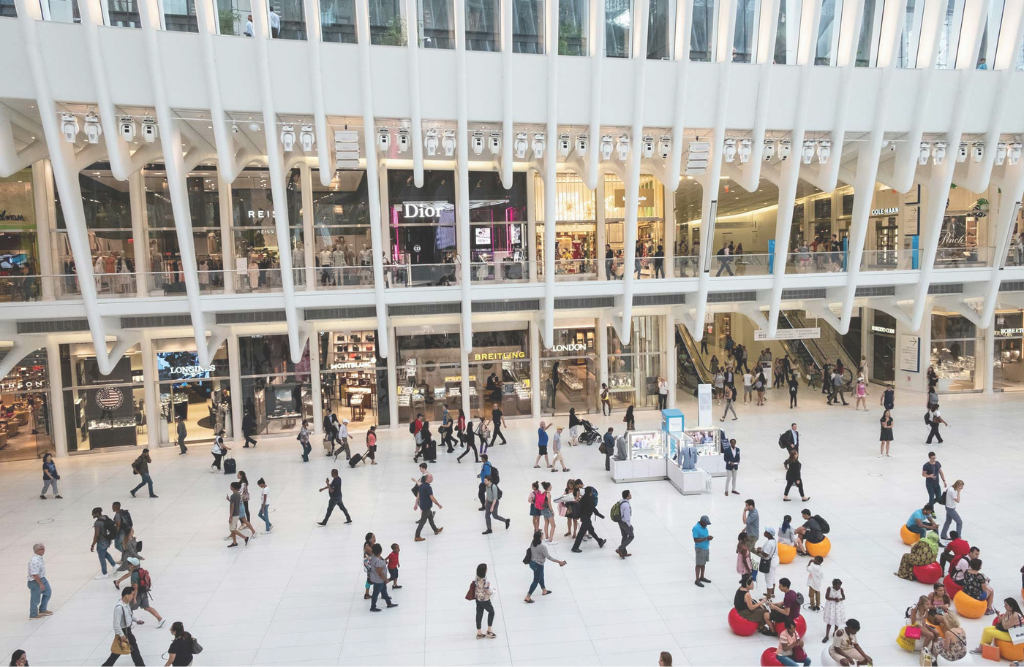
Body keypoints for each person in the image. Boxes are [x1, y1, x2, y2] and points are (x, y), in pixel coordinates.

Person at [114, 557, 164, 627]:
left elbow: (135, 588)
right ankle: (160, 619)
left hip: (137, 595)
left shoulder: (134, 575)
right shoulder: (142, 571)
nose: (128, 565)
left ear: (132, 565)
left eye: (129, 563)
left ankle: (129, 624)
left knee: (129, 608)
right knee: (147, 607)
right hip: (144, 593)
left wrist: (134, 598)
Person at [102, 588, 145, 666]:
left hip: (127, 630)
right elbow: (116, 624)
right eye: (132, 595)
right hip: (123, 631)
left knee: (122, 651)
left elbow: (129, 615)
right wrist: (122, 635)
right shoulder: (119, 608)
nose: (133, 596)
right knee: (121, 651)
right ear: (126, 595)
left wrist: (137, 620)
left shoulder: (126, 604)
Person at [524, 530, 566, 603]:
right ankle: (528, 596)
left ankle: (544, 590)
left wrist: (538, 531)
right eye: (542, 535)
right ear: (540, 538)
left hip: (532, 563)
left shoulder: (532, 542)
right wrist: (559, 562)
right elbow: (549, 557)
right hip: (538, 565)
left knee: (541, 576)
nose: (543, 536)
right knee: (536, 580)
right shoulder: (542, 547)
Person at [570, 486, 606, 552]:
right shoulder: (589, 499)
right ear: (591, 492)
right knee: (581, 533)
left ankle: (599, 541)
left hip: (584, 517)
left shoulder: (583, 498)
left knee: (591, 530)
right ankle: (575, 547)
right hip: (586, 518)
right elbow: (593, 509)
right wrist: (600, 515)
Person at [367, 544, 398, 612]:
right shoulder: (378, 561)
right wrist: (385, 579)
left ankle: (389, 603)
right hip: (379, 580)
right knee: (376, 593)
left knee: (384, 590)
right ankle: (373, 607)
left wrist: (383, 561)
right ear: (381, 551)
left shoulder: (373, 557)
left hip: (376, 578)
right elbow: (380, 572)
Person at [413, 473, 443, 541]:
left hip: (423, 505)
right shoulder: (428, 487)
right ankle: (417, 536)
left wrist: (416, 504)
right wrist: (438, 504)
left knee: (431, 518)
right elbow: (432, 497)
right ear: (427, 479)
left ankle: (435, 530)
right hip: (426, 506)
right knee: (422, 522)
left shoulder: (421, 485)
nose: (432, 478)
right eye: (431, 477)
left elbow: (418, 496)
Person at [91, 507, 118, 579]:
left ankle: (104, 573)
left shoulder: (97, 523)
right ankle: (114, 565)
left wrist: (93, 544)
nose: (92, 514)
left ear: (97, 513)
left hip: (101, 542)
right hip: (107, 540)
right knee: (105, 553)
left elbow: (96, 535)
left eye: (93, 513)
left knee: (101, 557)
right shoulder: (105, 517)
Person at [26, 544, 51, 620]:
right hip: (35, 581)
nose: (44, 550)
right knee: (35, 598)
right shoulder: (35, 560)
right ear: (37, 551)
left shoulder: (39, 558)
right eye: (42, 548)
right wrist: (40, 583)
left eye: (44, 548)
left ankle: (42, 609)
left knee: (48, 593)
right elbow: (34, 574)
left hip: (42, 578)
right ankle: (33, 614)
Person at [473, 563, 496, 639]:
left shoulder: (477, 577)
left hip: (478, 598)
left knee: (479, 614)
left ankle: (479, 633)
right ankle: (489, 630)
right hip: (484, 599)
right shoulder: (485, 580)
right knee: (491, 612)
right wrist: (493, 591)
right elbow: (487, 590)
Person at [822, 578, 847, 643]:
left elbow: (844, 597)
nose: (838, 588)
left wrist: (839, 599)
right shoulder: (829, 589)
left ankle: (835, 633)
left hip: (838, 607)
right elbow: (826, 597)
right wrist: (834, 599)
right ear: (833, 585)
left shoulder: (841, 590)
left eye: (839, 586)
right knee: (830, 622)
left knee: (837, 621)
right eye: (836, 586)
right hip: (831, 607)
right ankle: (827, 636)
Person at [692, 515, 712, 587]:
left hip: (706, 547)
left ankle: (702, 577)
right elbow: (695, 540)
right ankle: (697, 580)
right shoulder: (696, 528)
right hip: (700, 548)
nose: (706, 525)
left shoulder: (704, 526)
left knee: (703, 563)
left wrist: (707, 538)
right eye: (706, 523)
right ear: (702, 522)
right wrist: (706, 538)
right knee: (698, 564)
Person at [615, 490, 634, 558]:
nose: (630, 495)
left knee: (624, 536)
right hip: (625, 523)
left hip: (620, 521)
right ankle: (620, 549)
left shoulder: (621, 501)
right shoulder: (626, 505)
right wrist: (629, 525)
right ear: (627, 496)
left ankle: (623, 552)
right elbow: (627, 517)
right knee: (631, 536)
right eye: (630, 494)